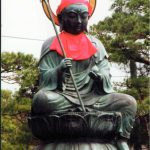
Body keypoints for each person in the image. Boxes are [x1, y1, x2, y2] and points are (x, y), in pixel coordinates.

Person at [31, 0, 137, 149]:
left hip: (94, 99)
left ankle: (122, 138)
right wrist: (58, 70)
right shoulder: (52, 44)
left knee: (128, 102)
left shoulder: (96, 44)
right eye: (73, 16)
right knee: (41, 99)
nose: (79, 21)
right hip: (62, 98)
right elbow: (44, 78)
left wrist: (100, 77)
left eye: (83, 16)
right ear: (61, 19)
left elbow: (106, 74)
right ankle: (75, 116)